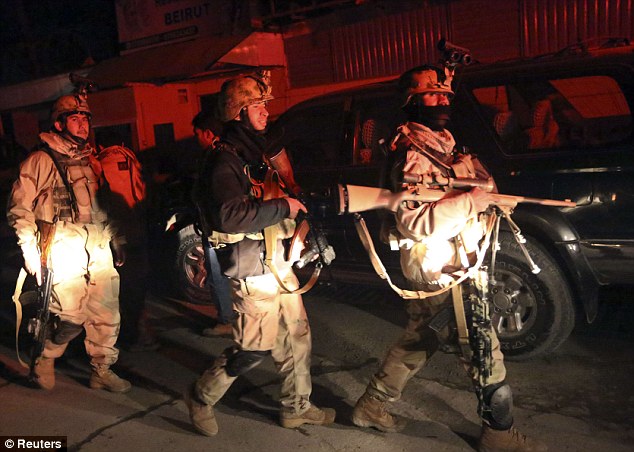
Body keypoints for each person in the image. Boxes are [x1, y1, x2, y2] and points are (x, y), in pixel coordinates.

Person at [350, 65, 547, 452]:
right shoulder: (413, 154)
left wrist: (487, 198)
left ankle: (371, 405)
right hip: (442, 269)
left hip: (456, 263)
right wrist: (468, 202)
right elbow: (414, 223)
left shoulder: (445, 145)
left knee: (421, 338)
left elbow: (474, 187)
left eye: (446, 95)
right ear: (413, 101)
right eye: (433, 94)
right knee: (484, 349)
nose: (443, 101)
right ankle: (499, 434)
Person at [184, 71, 335, 436]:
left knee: (297, 337)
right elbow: (229, 215)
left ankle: (297, 407)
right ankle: (202, 396)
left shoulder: (256, 156)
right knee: (254, 347)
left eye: (266, 105)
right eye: (258, 106)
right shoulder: (226, 161)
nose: (266, 112)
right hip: (253, 270)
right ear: (238, 113)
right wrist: (284, 206)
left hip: (278, 262)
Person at [7, 93, 131, 393]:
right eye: (75, 118)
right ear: (59, 123)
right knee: (69, 316)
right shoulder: (40, 159)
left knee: (106, 312)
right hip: (62, 244)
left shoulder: (91, 160)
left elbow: (103, 205)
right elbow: (19, 209)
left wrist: (117, 239)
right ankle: (46, 357)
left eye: (85, 118)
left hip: (97, 243)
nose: (82, 124)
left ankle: (101, 369)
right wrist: (29, 251)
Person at [96, 131, 157, 352]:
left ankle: (124, 335)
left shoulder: (99, 163)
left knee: (118, 290)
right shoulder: (131, 160)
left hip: (116, 237)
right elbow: (146, 196)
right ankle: (142, 330)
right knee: (138, 286)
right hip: (138, 230)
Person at [191, 110, 236, 337]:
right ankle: (241, 319)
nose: (196, 138)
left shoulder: (215, 157)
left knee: (217, 273)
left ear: (208, 134)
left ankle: (227, 320)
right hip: (230, 226)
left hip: (217, 228)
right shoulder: (232, 152)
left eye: (197, 133)